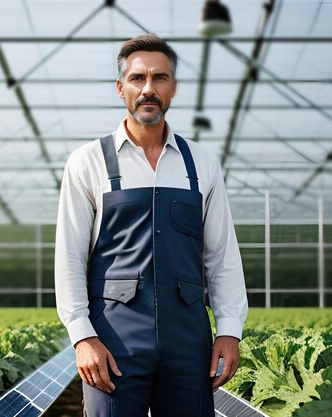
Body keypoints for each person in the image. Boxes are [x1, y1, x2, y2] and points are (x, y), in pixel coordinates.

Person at [54, 33, 248, 417]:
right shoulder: (87, 161)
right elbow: (70, 258)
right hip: (114, 341)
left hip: (188, 342)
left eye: (160, 78)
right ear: (120, 87)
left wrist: (229, 328)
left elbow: (222, 255)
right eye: (137, 78)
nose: (148, 88)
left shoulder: (202, 163)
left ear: (173, 87)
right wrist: (82, 337)